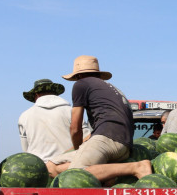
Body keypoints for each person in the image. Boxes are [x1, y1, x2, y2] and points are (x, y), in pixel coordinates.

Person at [47, 55, 151, 183]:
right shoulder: (109, 88)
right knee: (51, 167)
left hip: (106, 140)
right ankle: (108, 174)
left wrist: (78, 149)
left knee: (75, 177)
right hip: (124, 146)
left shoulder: (81, 84)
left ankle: (135, 167)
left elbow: (75, 128)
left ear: (78, 75)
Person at [18, 79, 91, 162]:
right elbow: (87, 138)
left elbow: (26, 152)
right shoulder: (71, 111)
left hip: (40, 166)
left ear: (36, 95)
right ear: (55, 93)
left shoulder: (24, 116)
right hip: (69, 164)